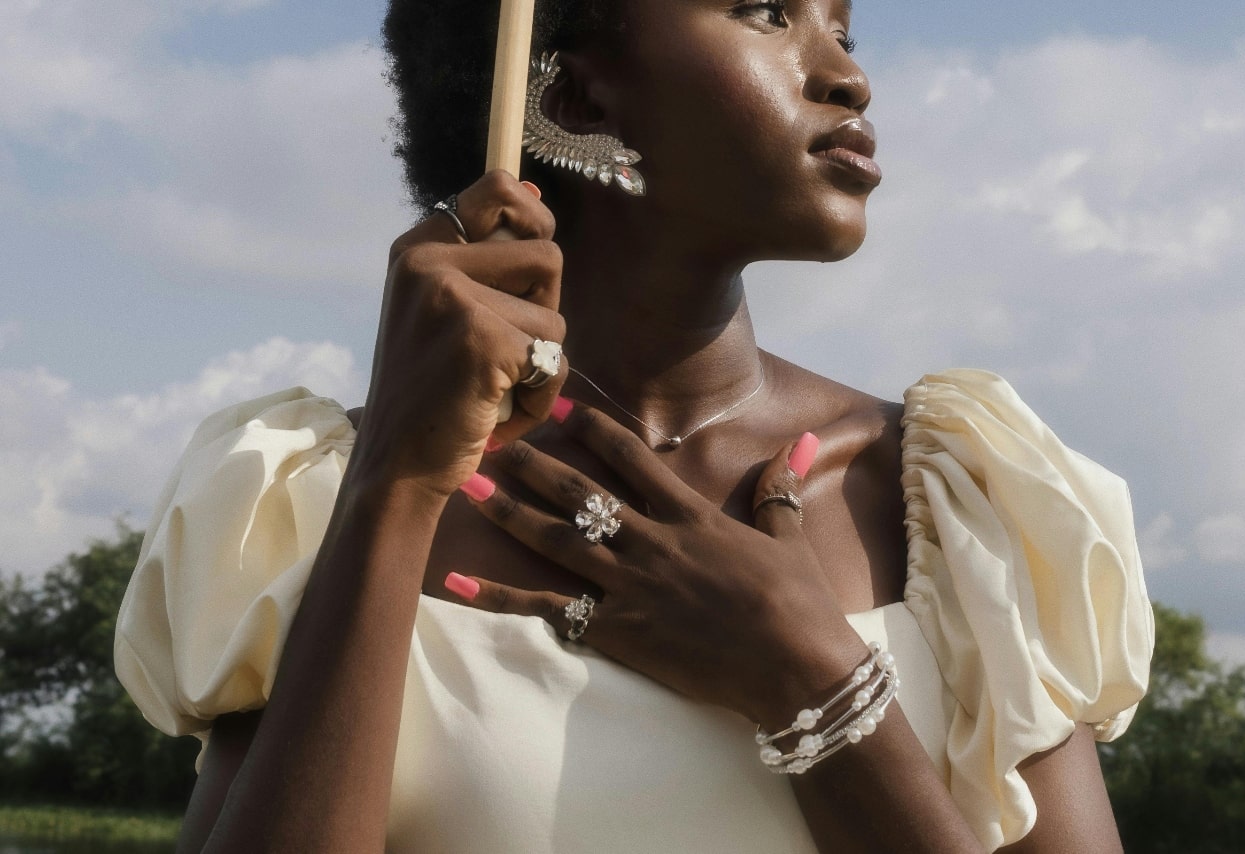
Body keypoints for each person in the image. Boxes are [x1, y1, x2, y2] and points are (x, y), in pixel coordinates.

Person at [114, 1, 1155, 851]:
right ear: (571, 92)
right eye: (765, 12)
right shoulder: (313, 499)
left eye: (842, 27)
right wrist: (394, 484)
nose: (846, 76)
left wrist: (813, 681)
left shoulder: (956, 495)